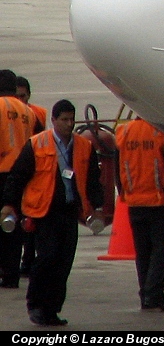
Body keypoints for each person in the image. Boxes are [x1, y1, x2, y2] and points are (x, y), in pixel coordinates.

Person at [1, 99, 103, 327]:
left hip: (69, 210)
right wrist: (10, 204)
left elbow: (93, 180)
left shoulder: (84, 146)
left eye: (71, 119)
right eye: (64, 119)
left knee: (63, 262)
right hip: (43, 211)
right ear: (54, 120)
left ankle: (52, 309)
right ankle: (35, 305)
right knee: (47, 258)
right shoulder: (37, 144)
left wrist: (96, 207)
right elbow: (18, 176)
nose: (68, 124)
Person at [115, 117, 164, 312]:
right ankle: (153, 293)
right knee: (160, 250)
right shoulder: (163, 130)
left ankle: (145, 294)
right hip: (159, 201)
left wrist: (123, 191)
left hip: (134, 201)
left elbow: (118, 164)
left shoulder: (125, 131)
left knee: (143, 252)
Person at [0, 73, 34, 289]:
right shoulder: (27, 111)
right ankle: (12, 273)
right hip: (22, 174)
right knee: (13, 227)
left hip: (2, 170)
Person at [13, 76, 44, 277]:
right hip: (11, 171)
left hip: (32, 172)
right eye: (17, 96)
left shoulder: (36, 114)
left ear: (29, 95)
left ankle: (29, 259)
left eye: (23, 96)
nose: (20, 100)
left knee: (31, 219)